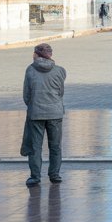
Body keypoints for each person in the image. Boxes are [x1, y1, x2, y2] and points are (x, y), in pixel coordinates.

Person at [22, 42, 67, 187]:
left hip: (36, 114)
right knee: (55, 146)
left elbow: (26, 95)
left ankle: (35, 176)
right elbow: (60, 93)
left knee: (35, 147)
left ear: (36, 54)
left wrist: (34, 104)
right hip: (55, 113)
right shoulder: (60, 71)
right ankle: (54, 174)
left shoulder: (30, 70)